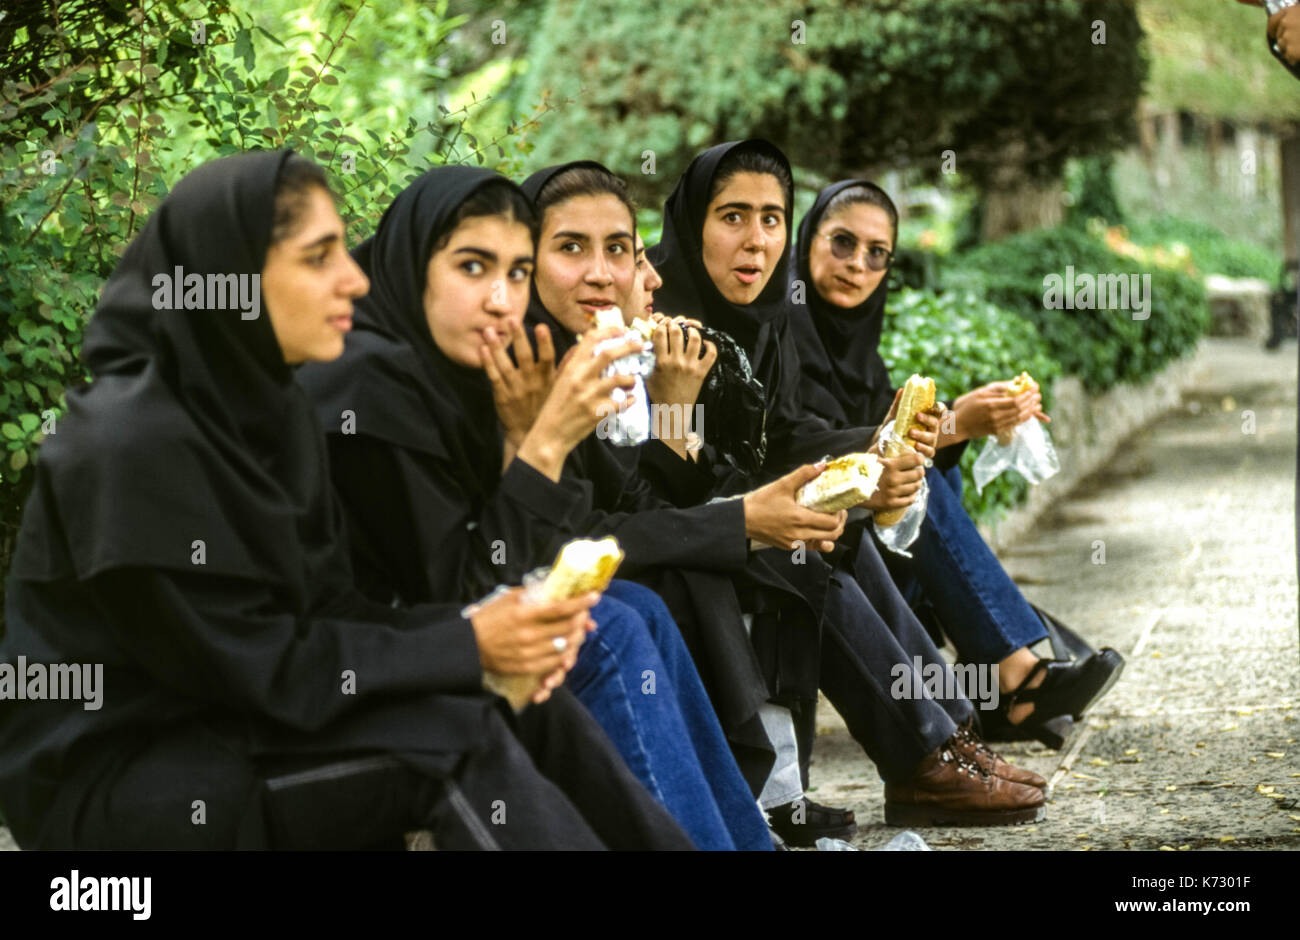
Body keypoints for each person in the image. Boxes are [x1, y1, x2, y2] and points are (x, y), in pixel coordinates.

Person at [0, 150, 693, 851]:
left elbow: (333, 612)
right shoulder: (133, 440)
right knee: (451, 741)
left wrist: (494, 636)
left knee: (529, 707)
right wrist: (468, 639)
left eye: (516, 272)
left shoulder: (268, 412)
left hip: (239, 724)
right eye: (318, 256)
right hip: (121, 774)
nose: (353, 277)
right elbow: (257, 666)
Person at [526, 155, 1048, 830]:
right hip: (651, 550)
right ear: (691, 226)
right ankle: (927, 747)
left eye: (771, 218)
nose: (756, 240)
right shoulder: (649, 324)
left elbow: (786, 437)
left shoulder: (769, 320)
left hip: (688, 522)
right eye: (733, 217)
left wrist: (897, 440)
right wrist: (715, 461)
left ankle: (945, 735)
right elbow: (652, 489)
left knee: (835, 527)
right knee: (800, 547)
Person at [296, 164, 768, 850]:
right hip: (346, 670)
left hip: (427, 636)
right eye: (473, 266)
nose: (500, 298)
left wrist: (550, 437)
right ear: (413, 263)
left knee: (638, 610)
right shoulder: (367, 384)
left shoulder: (467, 364)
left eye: (515, 273)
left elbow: (540, 542)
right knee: (607, 625)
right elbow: (462, 590)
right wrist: (540, 442)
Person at [788, 180, 1124, 747]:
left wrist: (978, 415)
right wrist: (954, 424)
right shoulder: (784, 327)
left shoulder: (853, 340)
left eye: (877, 254)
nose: (857, 265)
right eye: (842, 242)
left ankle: (1000, 687)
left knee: (931, 473)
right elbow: (815, 447)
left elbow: (877, 422)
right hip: (809, 531)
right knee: (918, 479)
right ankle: (1017, 680)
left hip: (872, 539)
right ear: (808, 241)